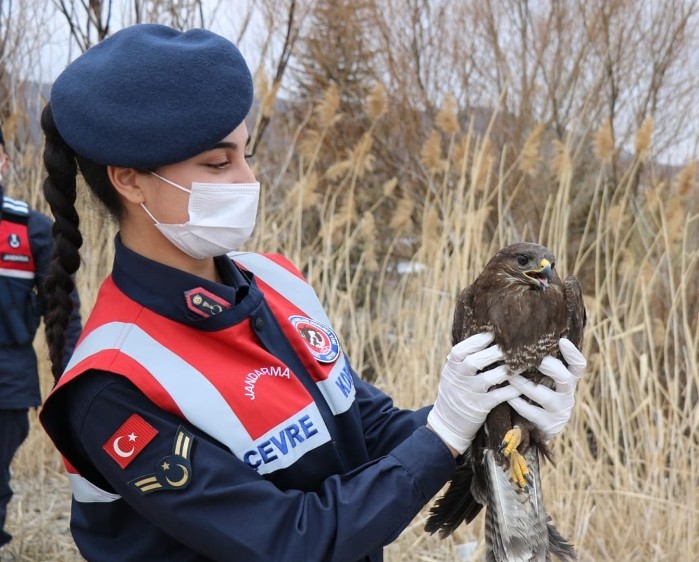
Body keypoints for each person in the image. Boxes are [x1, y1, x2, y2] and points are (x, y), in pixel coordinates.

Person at [36, 23, 586, 562]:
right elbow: (291, 541)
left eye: (249, 155)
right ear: (129, 180)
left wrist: (497, 414)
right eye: (219, 163)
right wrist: (442, 434)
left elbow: (365, 431)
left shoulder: (275, 282)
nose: (247, 180)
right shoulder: (112, 383)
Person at [0, 125, 82, 550]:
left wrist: (69, 383)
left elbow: (62, 311)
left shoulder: (29, 230)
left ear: (4, 162)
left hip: (7, 387)